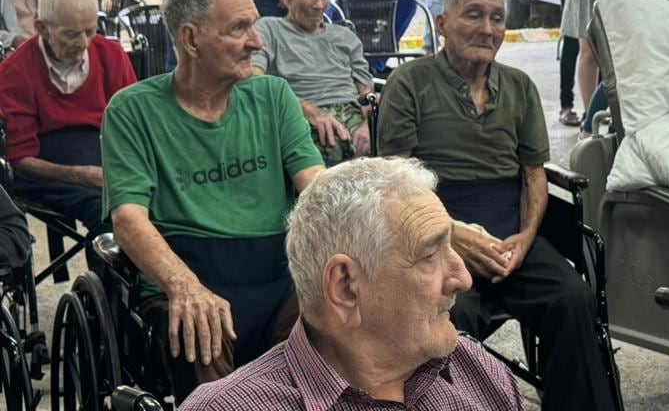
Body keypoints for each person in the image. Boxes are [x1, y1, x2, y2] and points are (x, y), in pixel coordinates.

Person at [376, 0, 615, 409]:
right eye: (474, 15)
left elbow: (534, 174)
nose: (487, 28)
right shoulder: (409, 82)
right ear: (444, 24)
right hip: (435, 231)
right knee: (454, 314)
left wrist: (525, 238)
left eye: (497, 18)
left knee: (571, 299)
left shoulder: (519, 86)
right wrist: (450, 234)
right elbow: (395, 179)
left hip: (509, 232)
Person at [101, 0, 324, 401]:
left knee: (339, 325)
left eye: (254, 26)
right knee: (200, 334)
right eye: (239, 28)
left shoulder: (273, 97)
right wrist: (184, 287)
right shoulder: (133, 110)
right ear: (191, 39)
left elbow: (316, 185)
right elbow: (128, 220)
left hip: (279, 275)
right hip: (190, 271)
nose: (256, 42)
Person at [181, 157, 522, 411]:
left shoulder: (479, 372)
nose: (463, 278)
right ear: (346, 288)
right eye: (429, 255)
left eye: (451, 246)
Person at [0, 0, 135, 263]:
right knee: (113, 213)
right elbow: (21, 160)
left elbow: (136, 125)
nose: (84, 43)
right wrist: (82, 175)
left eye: (91, 30)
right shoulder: (15, 73)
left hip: (107, 159)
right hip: (47, 173)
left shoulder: (110, 55)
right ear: (41, 28)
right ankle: (112, 300)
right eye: (72, 34)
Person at [251, 0, 374, 166]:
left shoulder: (344, 36)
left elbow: (365, 89)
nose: (318, 5)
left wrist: (370, 124)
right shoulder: (269, 29)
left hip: (352, 113)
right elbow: (253, 77)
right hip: (298, 113)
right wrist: (307, 111)